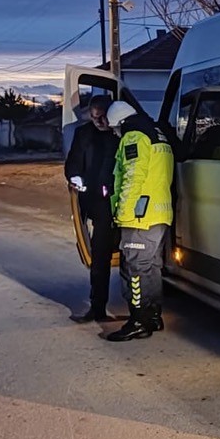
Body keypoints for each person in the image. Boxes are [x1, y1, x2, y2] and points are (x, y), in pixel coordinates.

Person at [104, 100, 174, 341]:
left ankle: (138, 321)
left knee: (134, 269)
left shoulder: (134, 136)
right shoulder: (158, 134)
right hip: (159, 213)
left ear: (121, 122)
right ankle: (153, 316)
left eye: (115, 128)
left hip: (139, 216)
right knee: (151, 267)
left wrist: (122, 215)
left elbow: (133, 178)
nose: (116, 133)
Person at [64, 93, 119, 322]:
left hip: (117, 201)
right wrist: (75, 178)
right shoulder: (83, 133)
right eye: (94, 118)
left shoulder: (121, 135)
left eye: (102, 118)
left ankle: (135, 309)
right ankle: (97, 307)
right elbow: (73, 162)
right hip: (93, 201)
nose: (99, 123)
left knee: (117, 256)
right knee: (97, 256)